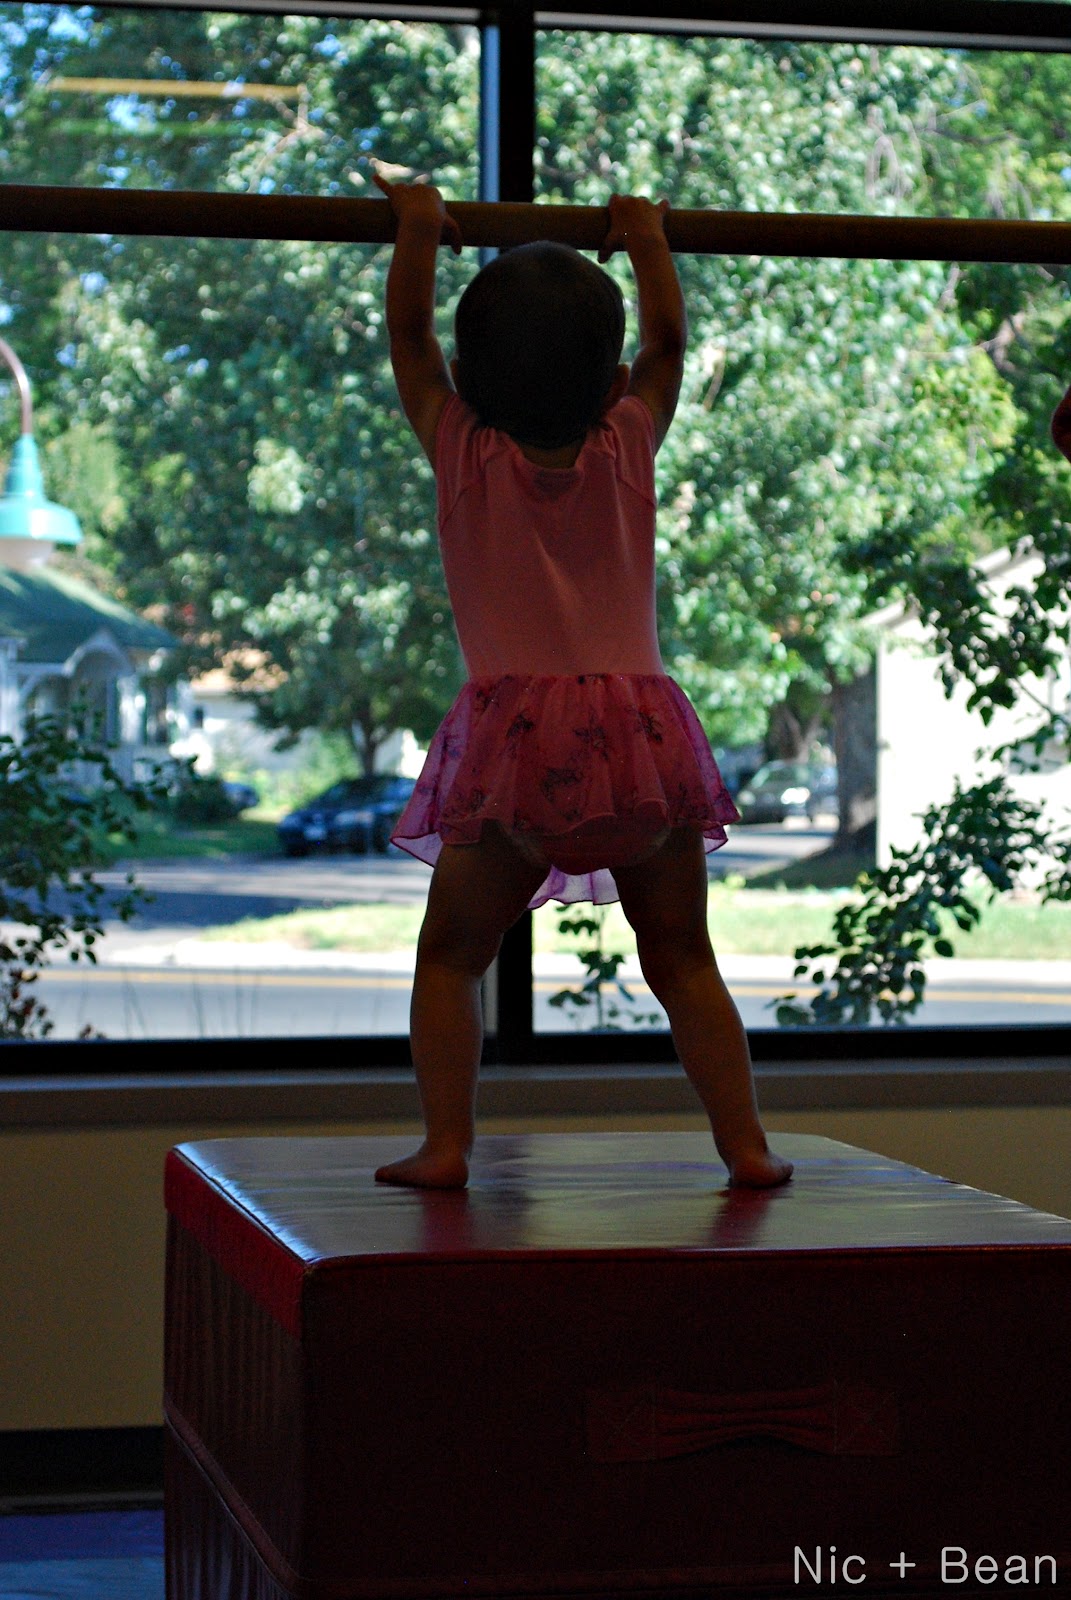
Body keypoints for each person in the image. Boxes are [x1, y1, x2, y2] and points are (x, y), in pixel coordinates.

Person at [371, 168, 792, 1192]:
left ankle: (446, 1145)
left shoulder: (462, 450)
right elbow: (668, 348)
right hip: (636, 745)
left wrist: (418, 223)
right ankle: (745, 1146)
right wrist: (644, 234)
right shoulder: (626, 444)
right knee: (683, 958)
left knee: (451, 959)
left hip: (515, 755)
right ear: (609, 387)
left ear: (468, 378)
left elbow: (410, 343)